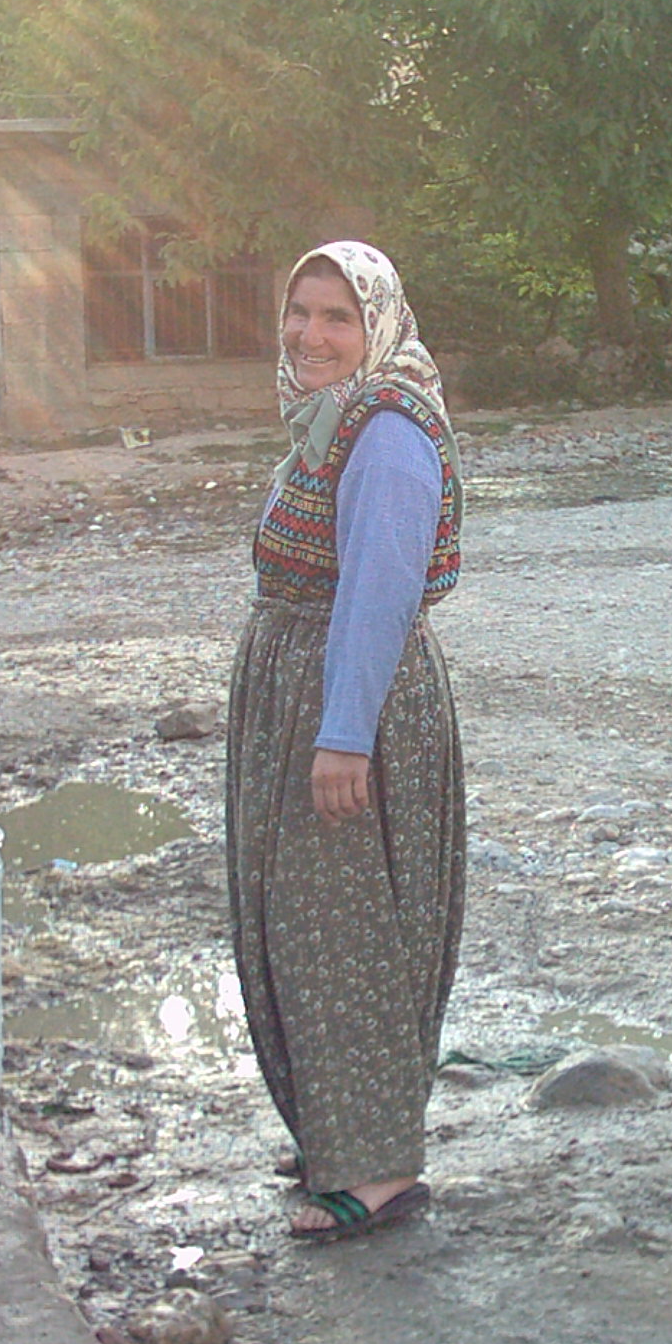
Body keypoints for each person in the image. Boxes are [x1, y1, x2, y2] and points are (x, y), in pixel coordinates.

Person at [226, 241, 465, 1242]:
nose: (311, 335)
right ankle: (338, 1128)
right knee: (300, 925)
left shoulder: (389, 436)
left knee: (349, 931)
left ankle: (373, 1170)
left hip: (351, 713)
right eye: (300, 313)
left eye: (337, 318)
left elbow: (376, 595)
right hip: (312, 701)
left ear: (379, 326)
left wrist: (343, 738)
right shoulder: (330, 425)